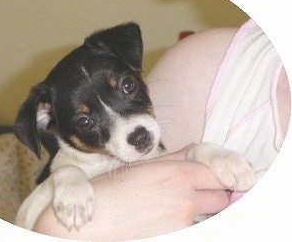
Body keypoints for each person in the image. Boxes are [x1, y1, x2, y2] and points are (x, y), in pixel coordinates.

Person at [31, 19, 290, 240]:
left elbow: (177, 165)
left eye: (127, 87)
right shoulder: (67, 179)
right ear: (49, 122)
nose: (131, 127)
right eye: (85, 122)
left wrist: (205, 153)